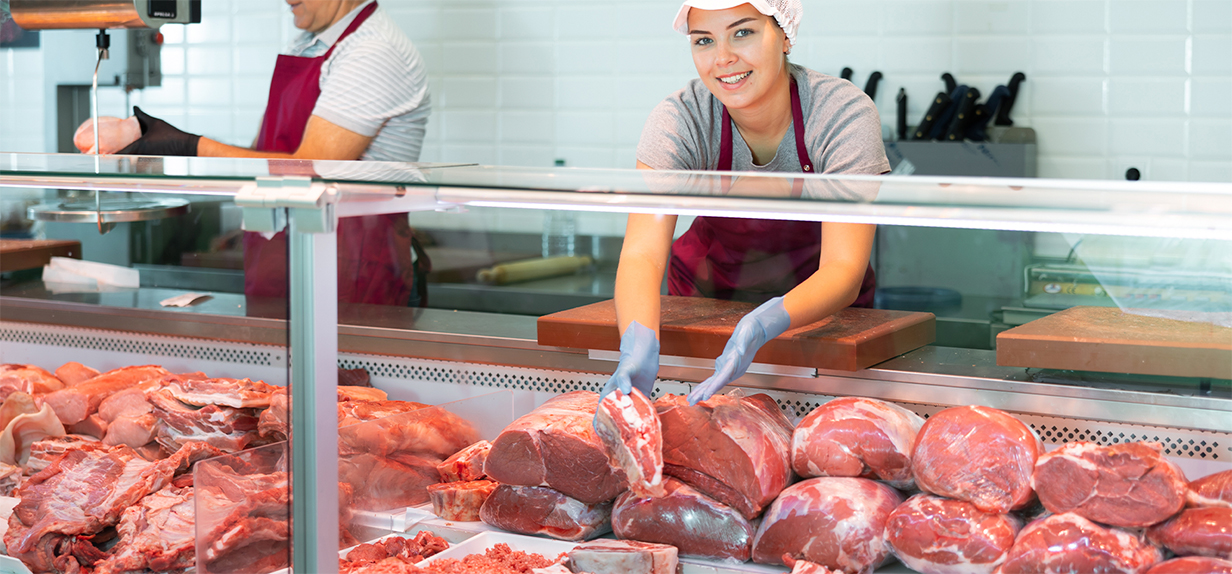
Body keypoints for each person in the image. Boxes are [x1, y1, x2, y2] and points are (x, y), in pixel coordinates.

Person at [599, 0, 890, 407]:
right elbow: (643, 253)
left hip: (818, 316)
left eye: (743, 32)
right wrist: (637, 343)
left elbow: (843, 268)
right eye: (704, 40)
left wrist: (762, 322)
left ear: (785, 35)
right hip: (703, 305)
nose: (723, 59)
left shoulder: (840, 114)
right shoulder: (682, 119)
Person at [118, 0, 431, 306]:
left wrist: (188, 145)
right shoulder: (309, 42)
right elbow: (264, 155)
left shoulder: (372, 50)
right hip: (284, 256)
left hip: (353, 268)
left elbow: (310, 167)